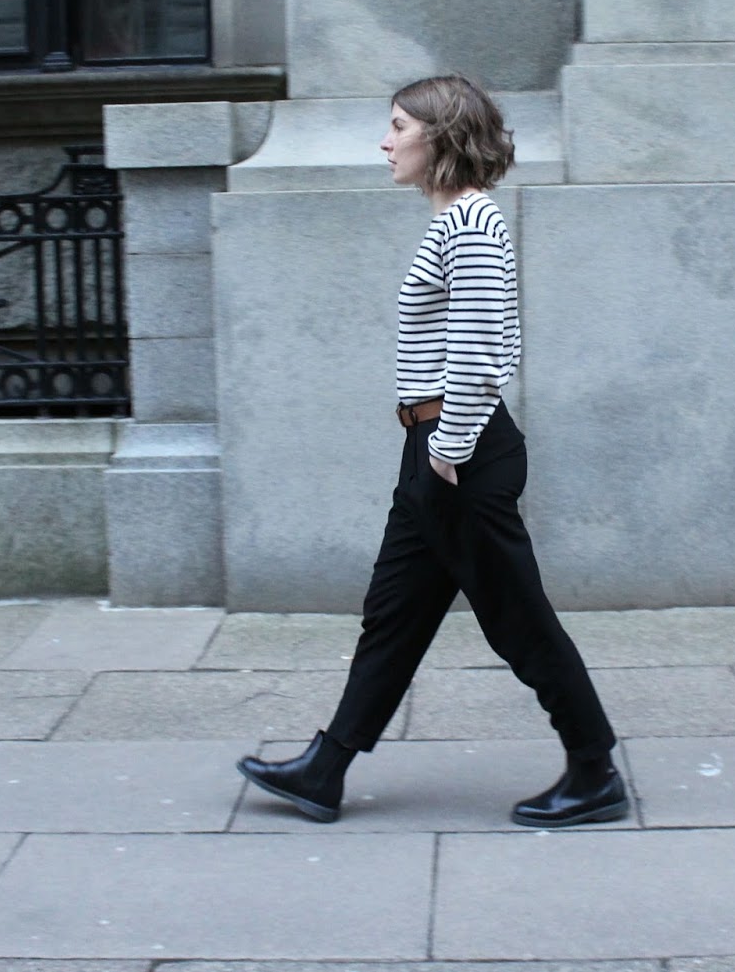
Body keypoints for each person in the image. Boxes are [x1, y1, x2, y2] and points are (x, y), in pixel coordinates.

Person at [236, 75, 626, 828]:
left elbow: (483, 352)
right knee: (394, 614)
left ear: (440, 137)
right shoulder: (456, 222)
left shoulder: (471, 223)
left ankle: (594, 770)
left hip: (460, 453)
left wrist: (445, 452)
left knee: (518, 621)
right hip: (439, 448)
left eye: (398, 127)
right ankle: (325, 767)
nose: (385, 143)